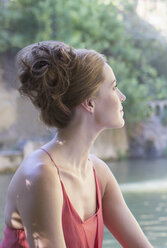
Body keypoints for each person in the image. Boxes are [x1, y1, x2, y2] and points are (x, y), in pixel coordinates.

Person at [0, 41, 153, 248]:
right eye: (114, 88)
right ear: (90, 102)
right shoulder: (41, 176)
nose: (122, 97)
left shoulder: (99, 174)